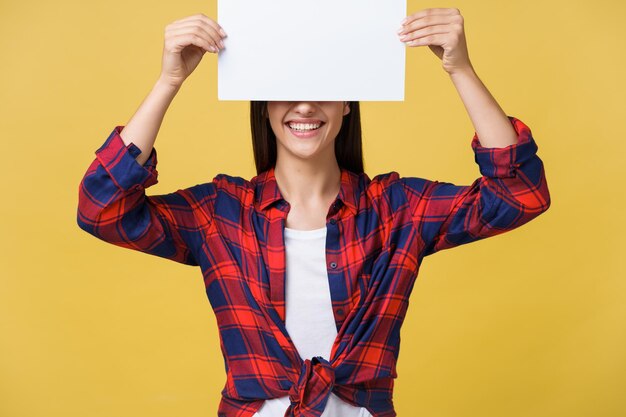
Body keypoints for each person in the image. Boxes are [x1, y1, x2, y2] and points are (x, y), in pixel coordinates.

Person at [77, 9, 551, 417]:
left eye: (324, 87)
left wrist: (461, 69)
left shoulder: (396, 210)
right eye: (286, 89)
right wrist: (169, 81)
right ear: (262, 105)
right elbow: (102, 209)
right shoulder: (220, 214)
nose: (304, 104)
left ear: (348, 102)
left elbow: (519, 194)